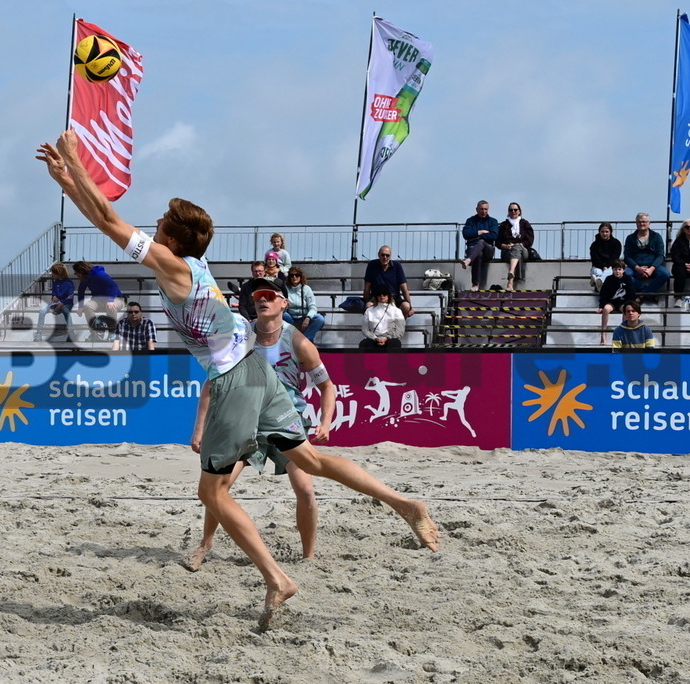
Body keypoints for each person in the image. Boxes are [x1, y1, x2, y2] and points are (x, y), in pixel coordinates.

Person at [37, 130, 439, 630]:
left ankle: (277, 578)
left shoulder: (171, 264)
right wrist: (68, 179)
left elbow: (108, 220)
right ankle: (405, 503)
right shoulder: (197, 261)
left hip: (233, 381)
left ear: (174, 238)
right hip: (258, 369)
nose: (155, 223)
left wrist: (77, 161)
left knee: (213, 494)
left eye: (162, 221)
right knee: (310, 460)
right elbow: (105, 218)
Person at [185, 278, 333, 571]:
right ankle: (205, 544)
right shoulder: (241, 337)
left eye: (269, 295)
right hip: (247, 421)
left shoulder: (298, 341)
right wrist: (199, 429)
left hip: (286, 421)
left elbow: (327, 387)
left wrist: (325, 422)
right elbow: (211, 386)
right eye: (258, 296)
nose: (262, 300)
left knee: (304, 489)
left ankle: (309, 557)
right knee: (219, 485)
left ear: (284, 303)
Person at [72, 260, 126, 338]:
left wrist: (110, 301)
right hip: (99, 300)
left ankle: (112, 332)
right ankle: (95, 331)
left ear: (81, 271)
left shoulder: (99, 274)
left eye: (76, 272)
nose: (75, 274)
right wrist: (81, 306)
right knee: (88, 306)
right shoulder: (85, 278)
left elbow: (113, 287)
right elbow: (81, 291)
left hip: (116, 298)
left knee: (111, 307)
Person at [623, 213, 670, 301]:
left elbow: (660, 255)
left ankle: (643, 294)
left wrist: (651, 269)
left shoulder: (656, 237)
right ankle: (647, 291)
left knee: (665, 274)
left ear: (649, 223)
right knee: (624, 275)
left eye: (644, 221)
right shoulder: (630, 238)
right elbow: (627, 256)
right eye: (639, 222)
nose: (642, 224)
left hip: (653, 266)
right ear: (636, 223)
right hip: (635, 266)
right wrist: (637, 268)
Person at [362, 245, 414, 318]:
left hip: (394, 297)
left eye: (387, 255)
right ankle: (373, 327)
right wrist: (366, 302)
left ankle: (399, 326)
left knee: (406, 306)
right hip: (377, 297)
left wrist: (410, 307)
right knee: (368, 306)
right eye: (383, 255)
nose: (385, 257)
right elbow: (367, 288)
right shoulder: (372, 265)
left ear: (390, 256)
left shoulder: (397, 266)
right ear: (378, 255)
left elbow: (404, 288)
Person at [460, 200, 499, 292]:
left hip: (488, 250)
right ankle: (475, 284)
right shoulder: (470, 221)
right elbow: (466, 234)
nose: (483, 211)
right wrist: (480, 232)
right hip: (473, 250)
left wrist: (476, 237)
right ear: (476, 209)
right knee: (478, 254)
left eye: (485, 209)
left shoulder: (493, 221)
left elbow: (494, 235)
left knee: (481, 242)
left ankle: (468, 260)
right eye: (481, 209)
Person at [497, 201, 535, 291]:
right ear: (508, 212)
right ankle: (510, 280)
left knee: (517, 247)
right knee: (515, 249)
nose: (513, 211)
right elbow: (498, 242)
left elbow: (530, 240)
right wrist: (505, 246)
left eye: (515, 210)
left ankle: (511, 276)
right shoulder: (503, 225)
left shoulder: (525, 223)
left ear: (519, 211)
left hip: (523, 250)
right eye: (511, 210)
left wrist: (521, 244)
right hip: (507, 251)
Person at [596, 260, 636, 345]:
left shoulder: (628, 279)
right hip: (612, 302)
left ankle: (624, 334)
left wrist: (630, 304)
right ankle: (603, 333)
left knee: (626, 310)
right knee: (606, 309)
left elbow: (631, 293)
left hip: (623, 302)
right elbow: (603, 294)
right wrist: (601, 306)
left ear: (623, 270)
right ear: (612, 270)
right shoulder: (609, 279)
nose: (617, 271)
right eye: (615, 269)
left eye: (619, 269)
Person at [33, 262, 75, 342]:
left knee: (66, 311)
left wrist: (62, 303)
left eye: (54, 273)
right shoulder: (55, 283)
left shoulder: (69, 283)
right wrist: (54, 297)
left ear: (59, 273)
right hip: (56, 304)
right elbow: (54, 295)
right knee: (42, 310)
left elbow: (70, 297)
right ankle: (38, 334)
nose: (52, 275)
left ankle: (71, 334)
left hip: (66, 303)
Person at [282, 266, 325, 342]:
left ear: (301, 276)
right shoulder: (285, 289)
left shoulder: (306, 289)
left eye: (297, 275)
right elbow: (280, 305)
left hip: (304, 318)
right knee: (282, 314)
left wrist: (308, 318)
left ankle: (306, 340)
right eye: (292, 275)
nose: (294, 277)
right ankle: (289, 338)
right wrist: (285, 306)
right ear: (289, 277)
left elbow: (312, 307)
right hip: (291, 319)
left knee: (320, 319)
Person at [589, 222, 622, 291]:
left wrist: (606, 266)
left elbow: (615, 257)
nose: (604, 234)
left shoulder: (616, 243)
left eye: (607, 232)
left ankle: (597, 281)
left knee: (608, 272)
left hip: (610, 266)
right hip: (597, 267)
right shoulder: (594, 245)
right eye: (602, 232)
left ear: (611, 232)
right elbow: (594, 259)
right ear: (599, 232)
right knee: (598, 272)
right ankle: (599, 283)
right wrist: (602, 266)